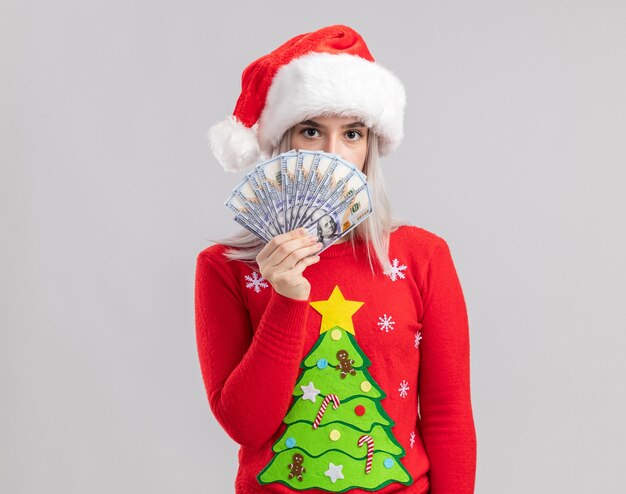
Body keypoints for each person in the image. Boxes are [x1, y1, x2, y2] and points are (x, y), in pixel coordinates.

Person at [195, 25, 476, 493]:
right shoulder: (226, 267)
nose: (334, 153)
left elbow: (449, 419)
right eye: (311, 131)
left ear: (370, 147)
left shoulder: (421, 256)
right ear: (283, 141)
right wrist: (287, 299)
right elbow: (246, 425)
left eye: (351, 133)